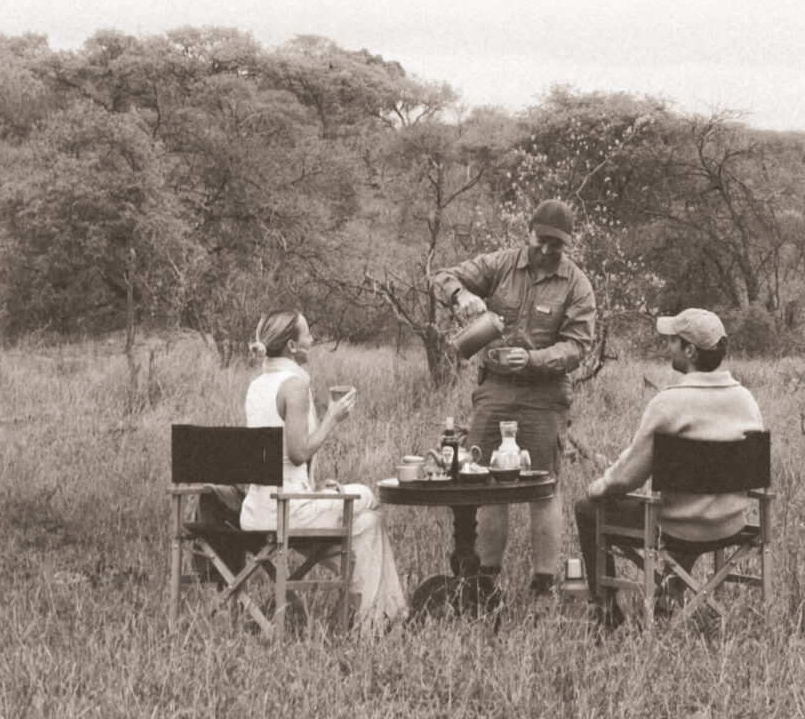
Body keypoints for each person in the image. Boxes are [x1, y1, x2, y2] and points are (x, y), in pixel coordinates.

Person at [432, 200, 597, 603]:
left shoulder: (577, 284)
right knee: (487, 481)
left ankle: (544, 583)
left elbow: (578, 346)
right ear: (529, 233)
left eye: (556, 245)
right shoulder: (501, 264)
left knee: (543, 485)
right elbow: (442, 277)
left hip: (545, 394)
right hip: (495, 389)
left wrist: (534, 359)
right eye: (541, 240)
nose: (546, 250)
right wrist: (460, 298)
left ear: (567, 245)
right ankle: (487, 580)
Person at [576, 306, 763, 621]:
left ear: (690, 350)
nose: (668, 346)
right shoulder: (746, 399)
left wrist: (601, 485)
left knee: (587, 508)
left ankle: (607, 610)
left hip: (680, 527)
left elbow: (628, 477)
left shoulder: (668, 402)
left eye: (673, 341)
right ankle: (668, 592)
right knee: (690, 499)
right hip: (731, 524)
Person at [240, 308, 407, 632]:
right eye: (307, 334)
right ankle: (378, 623)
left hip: (257, 510)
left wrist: (317, 489)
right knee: (367, 495)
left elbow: (280, 462)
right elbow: (298, 453)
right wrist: (333, 417)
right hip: (286, 512)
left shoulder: (257, 385)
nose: (312, 339)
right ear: (292, 345)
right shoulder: (293, 385)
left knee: (368, 524)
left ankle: (381, 623)